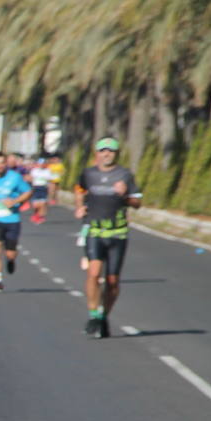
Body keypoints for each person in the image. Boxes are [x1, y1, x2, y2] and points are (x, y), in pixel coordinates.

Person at [75, 138, 142, 338]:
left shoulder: (124, 175)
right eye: (103, 151)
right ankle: (93, 314)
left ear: (116, 154)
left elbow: (137, 203)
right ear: (97, 153)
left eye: (111, 151)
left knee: (112, 281)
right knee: (93, 273)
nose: (107, 154)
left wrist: (125, 196)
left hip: (118, 232)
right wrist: (80, 206)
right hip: (95, 230)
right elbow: (79, 189)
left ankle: (104, 316)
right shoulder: (88, 173)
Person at [0, 151, 32, 293]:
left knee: (10, 253)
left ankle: (11, 260)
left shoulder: (15, 178)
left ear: (6, 164)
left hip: (12, 219)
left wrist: (14, 201)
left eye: (2, 162)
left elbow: (27, 191)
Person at [28, 156, 56, 223]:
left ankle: (40, 216)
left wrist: (51, 194)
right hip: (36, 188)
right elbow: (30, 179)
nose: (41, 165)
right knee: (35, 205)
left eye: (43, 163)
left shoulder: (47, 171)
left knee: (43, 203)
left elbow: (50, 182)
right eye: (40, 163)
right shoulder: (34, 171)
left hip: (43, 188)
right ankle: (36, 214)